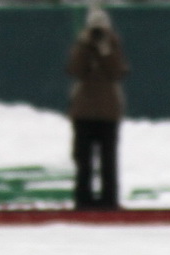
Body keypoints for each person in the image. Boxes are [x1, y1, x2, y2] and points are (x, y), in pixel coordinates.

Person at [66, 6, 128, 211]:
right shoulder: (81, 45)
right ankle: (83, 199)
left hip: (108, 113)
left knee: (108, 160)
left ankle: (109, 199)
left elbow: (117, 71)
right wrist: (83, 46)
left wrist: (106, 50)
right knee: (83, 160)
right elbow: (75, 70)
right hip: (84, 112)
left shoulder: (113, 45)